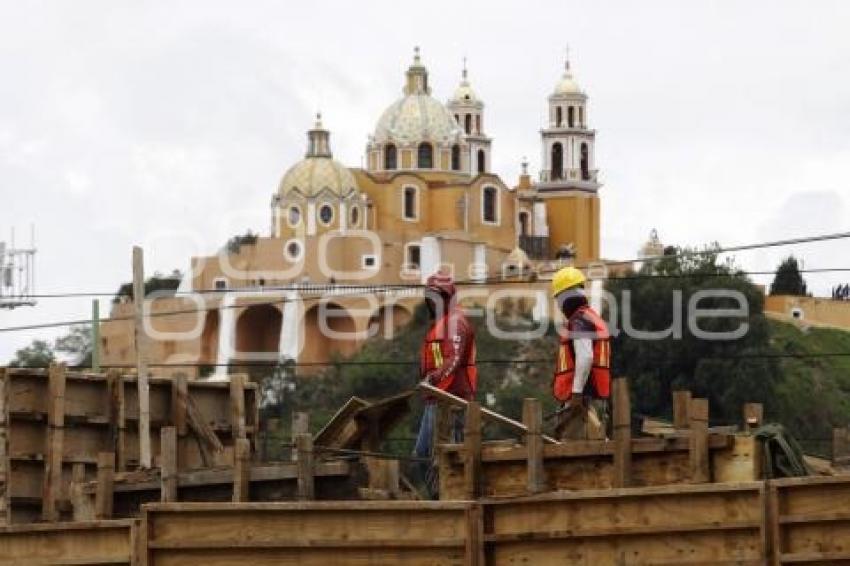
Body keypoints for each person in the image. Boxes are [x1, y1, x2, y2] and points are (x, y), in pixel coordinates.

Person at [413, 271, 477, 494]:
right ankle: (439, 496)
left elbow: (454, 358)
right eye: (429, 297)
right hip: (435, 399)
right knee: (424, 454)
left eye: (436, 297)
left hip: (452, 400)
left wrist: (433, 378)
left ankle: (450, 496)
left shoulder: (456, 323)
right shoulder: (440, 324)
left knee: (453, 455)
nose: (431, 302)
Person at [550, 266, 611, 440]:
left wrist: (576, 393)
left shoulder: (579, 320)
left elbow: (586, 356)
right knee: (597, 450)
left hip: (581, 403)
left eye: (558, 299)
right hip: (594, 397)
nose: (559, 306)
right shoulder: (591, 317)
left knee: (573, 456)